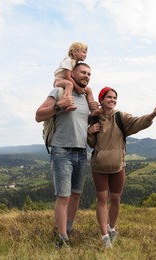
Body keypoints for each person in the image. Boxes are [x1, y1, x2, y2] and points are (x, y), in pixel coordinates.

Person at [87, 86, 156, 248]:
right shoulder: (94, 118)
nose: (113, 100)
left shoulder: (121, 117)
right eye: (109, 97)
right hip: (99, 166)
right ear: (101, 100)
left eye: (115, 98)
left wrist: (152, 115)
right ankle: (105, 237)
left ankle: (112, 228)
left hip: (118, 166)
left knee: (115, 199)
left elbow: (138, 122)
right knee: (101, 200)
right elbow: (91, 143)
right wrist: (90, 131)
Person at [36, 62, 98, 248]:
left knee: (76, 195)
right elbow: (38, 115)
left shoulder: (86, 98)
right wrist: (59, 106)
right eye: (83, 72)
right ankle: (62, 239)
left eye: (89, 73)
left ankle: (68, 230)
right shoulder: (59, 92)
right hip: (61, 150)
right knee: (63, 197)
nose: (86, 76)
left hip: (81, 151)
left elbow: (81, 123)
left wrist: (93, 124)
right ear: (72, 74)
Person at [54, 42, 99, 115]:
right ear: (75, 52)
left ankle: (93, 109)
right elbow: (67, 77)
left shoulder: (75, 64)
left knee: (89, 90)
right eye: (84, 52)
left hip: (66, 80)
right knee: (69, 84)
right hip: (59, 81)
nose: (85, 55)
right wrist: (78, 88)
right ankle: (68, 103)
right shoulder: (68, 61)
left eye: (86, 53)